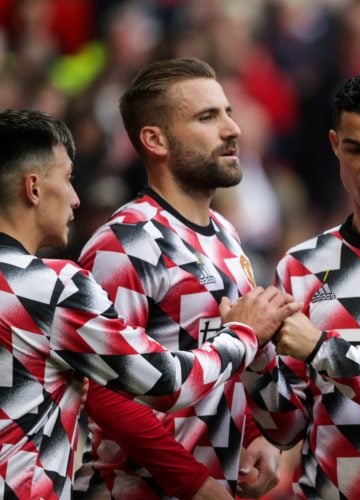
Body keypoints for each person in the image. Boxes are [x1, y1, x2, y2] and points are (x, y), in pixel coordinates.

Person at [0, 109, 294, 500]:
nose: (75, 199)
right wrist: (242, 334)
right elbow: (165, 383)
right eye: (68, 179)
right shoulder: (51, 288)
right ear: (33, 188)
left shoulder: (224, 231)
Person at [72, 58, 286, 499]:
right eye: (207, 117)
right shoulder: (126, 242)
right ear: (155, 139)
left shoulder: (225, 233)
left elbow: (219, 353)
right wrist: (192, 483)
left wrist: (252, 438)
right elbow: (104, 390)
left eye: (227, 112)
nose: (233, 129)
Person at [246, 69, 360, 499]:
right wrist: (251, 352)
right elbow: (287, 428)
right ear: (334, 146)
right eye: (356, 149)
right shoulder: (301, 267)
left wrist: (322, 349)